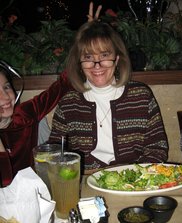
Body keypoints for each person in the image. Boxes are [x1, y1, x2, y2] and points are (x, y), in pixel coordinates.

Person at [0, 2, 102, 187]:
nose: (5, 97)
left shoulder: (24, 116)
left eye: (6, 87)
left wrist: (87, 40)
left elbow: (63, 83)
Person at [48, 19, 169, 174]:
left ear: (117, 59)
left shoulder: (141, 96)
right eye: (89, 57)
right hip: (86, 181)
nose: (97, 65)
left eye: (104, 55)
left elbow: (157, 147)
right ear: (79, 62)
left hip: (136, 181)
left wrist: (135, 176)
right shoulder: (68, 104)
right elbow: (57, 151)